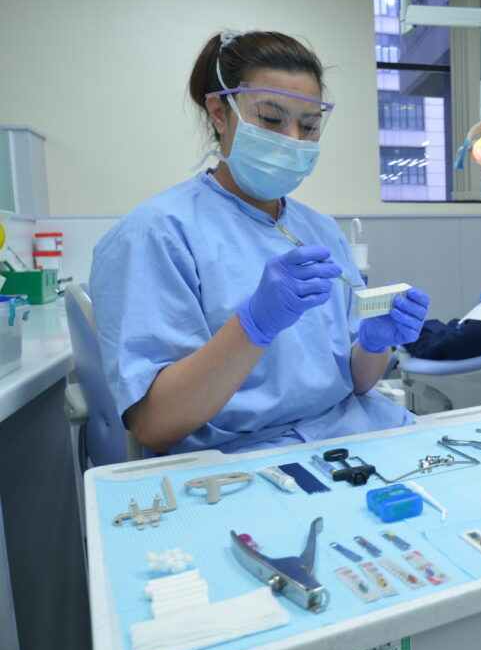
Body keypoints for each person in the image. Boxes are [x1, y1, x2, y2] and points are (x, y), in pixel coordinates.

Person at [90, 31, 429, 455]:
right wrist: (254, 324)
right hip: (243, 460)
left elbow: (357, 383)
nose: (293, 140)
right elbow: (155, 425)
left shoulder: (320, 229)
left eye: (308, 126)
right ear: (219, 112)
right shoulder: (155, 234)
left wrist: (376, 342)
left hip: (353, 432)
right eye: (271, 120)